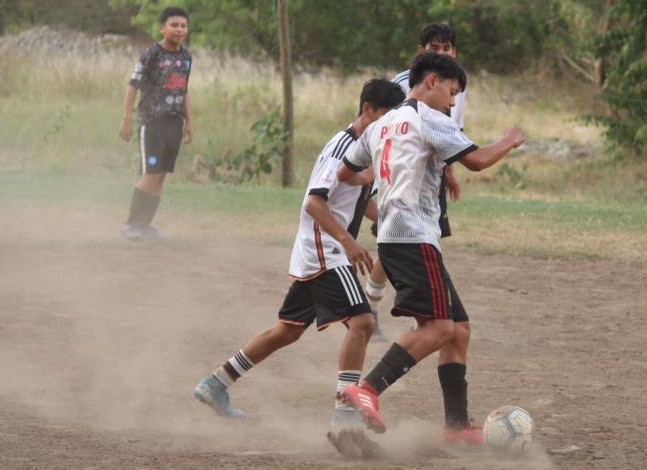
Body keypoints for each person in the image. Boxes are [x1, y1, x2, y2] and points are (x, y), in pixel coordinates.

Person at [193, 80, 406, 431]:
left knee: (287, 330)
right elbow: (314, 201)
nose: (387, 125)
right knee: (364, 322)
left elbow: (357, 199)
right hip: (325, 248)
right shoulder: (343, 146)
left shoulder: (366, 146)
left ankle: (217, 383)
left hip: (322, 248)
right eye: (384, 116)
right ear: (367, 109)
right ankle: (344, 413)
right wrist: (349, 243)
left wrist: (389, 221)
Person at [337, 52, 525, 444]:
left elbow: (345, 171)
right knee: (439, 328)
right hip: (413, 238)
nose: (453, 103)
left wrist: (384, 179)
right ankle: (367, 389)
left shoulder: (381, 124)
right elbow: (476, 160)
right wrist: (510, 140)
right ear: (432, 82)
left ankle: (456, 427)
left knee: (459, 329)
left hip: (393, 236)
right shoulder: (429, 118)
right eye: (452, 93)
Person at [366, 23, 464, 331]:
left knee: (426, 237)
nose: (441, 52)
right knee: (401, 236)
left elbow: (449, 131)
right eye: (434, 48)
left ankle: (422, 308)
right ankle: (375, 301)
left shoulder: (457, 84)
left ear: (455, 52)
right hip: (402, 175)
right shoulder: (407, 84)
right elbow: (391, 130)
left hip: (429, 174)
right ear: (421, 52)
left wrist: (449, 169)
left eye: (446, 48)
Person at [119, 7, 194, 240]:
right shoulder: (152, 53)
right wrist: (127, 118)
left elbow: (184, 90)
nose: (179, 29)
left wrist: (189, 121)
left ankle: (144, 226)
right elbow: (133, 84)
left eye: (183, 25)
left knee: (161, 175)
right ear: (162, 28)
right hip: (152, 123)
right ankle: (131, 224)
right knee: (151, 173)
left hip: (174, 123)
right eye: (174, 25)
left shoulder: (186, 57)